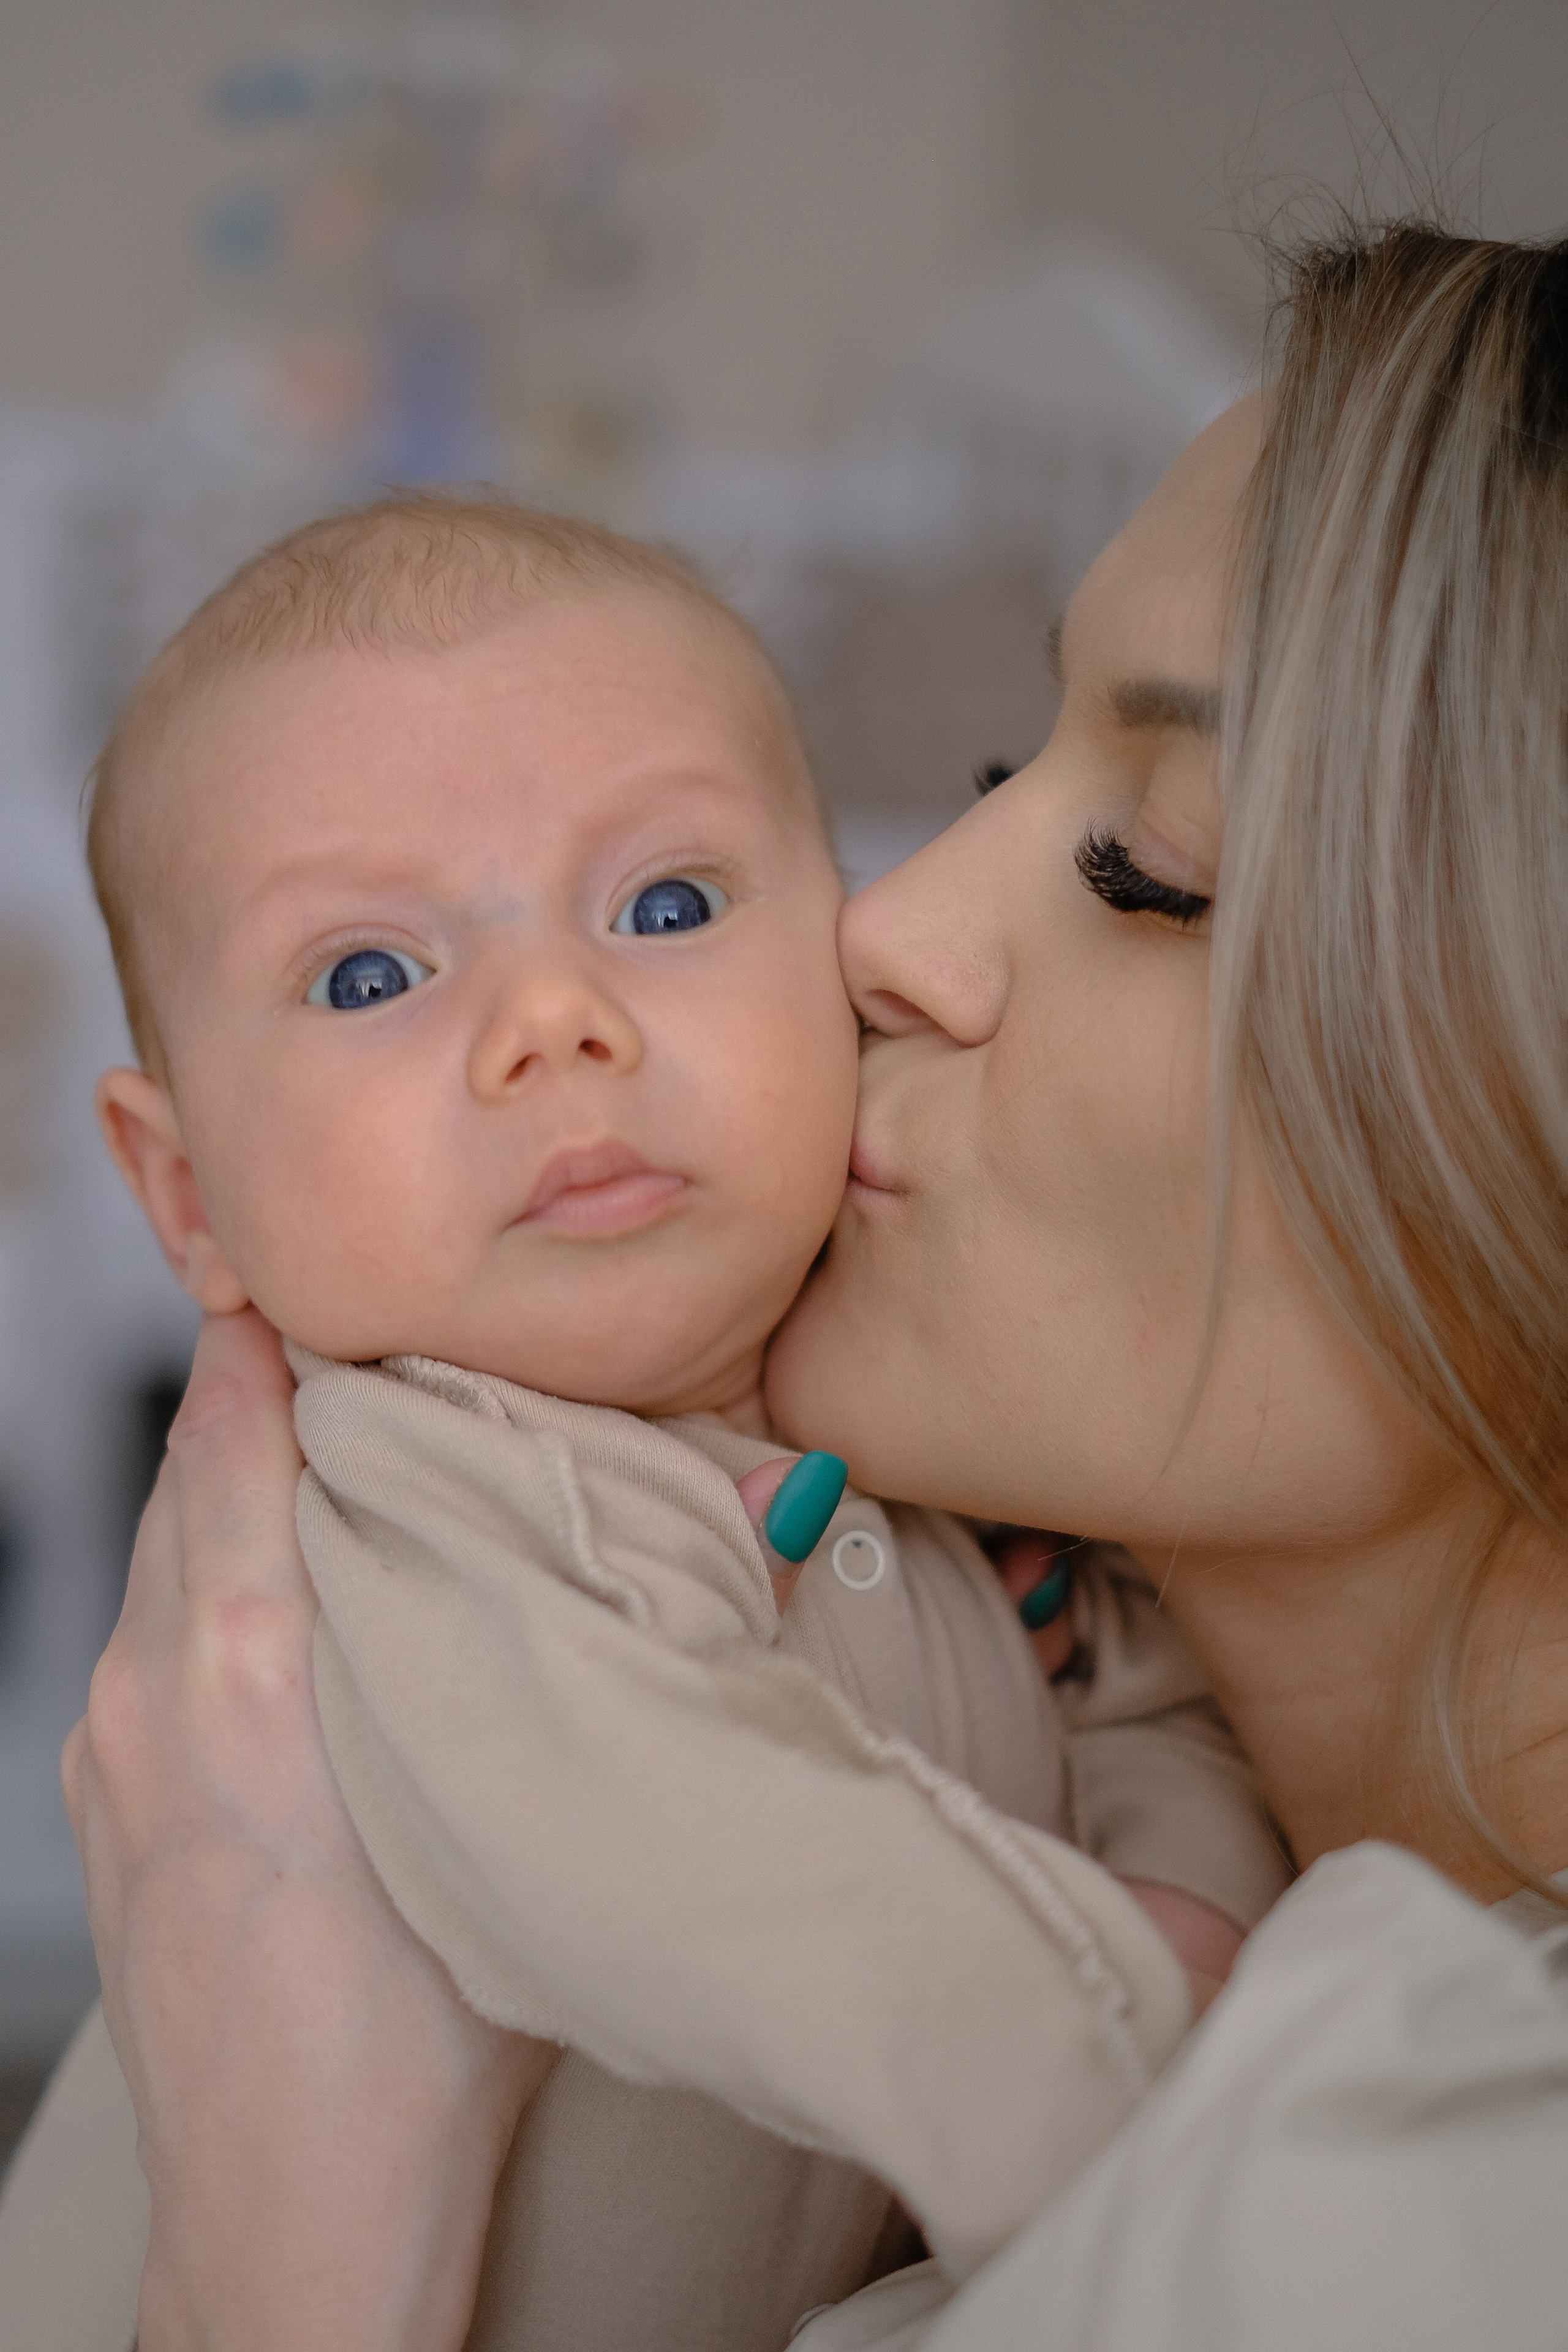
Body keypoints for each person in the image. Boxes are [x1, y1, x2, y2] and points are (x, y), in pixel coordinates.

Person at [13, 214, 1568, 2351]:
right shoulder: (445, 1492)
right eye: (370, 976)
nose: (883, 930)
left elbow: (1118, 1750)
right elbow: (696, 1831)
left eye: (1156, 867)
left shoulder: (1414, 2192)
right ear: (182, 1189)